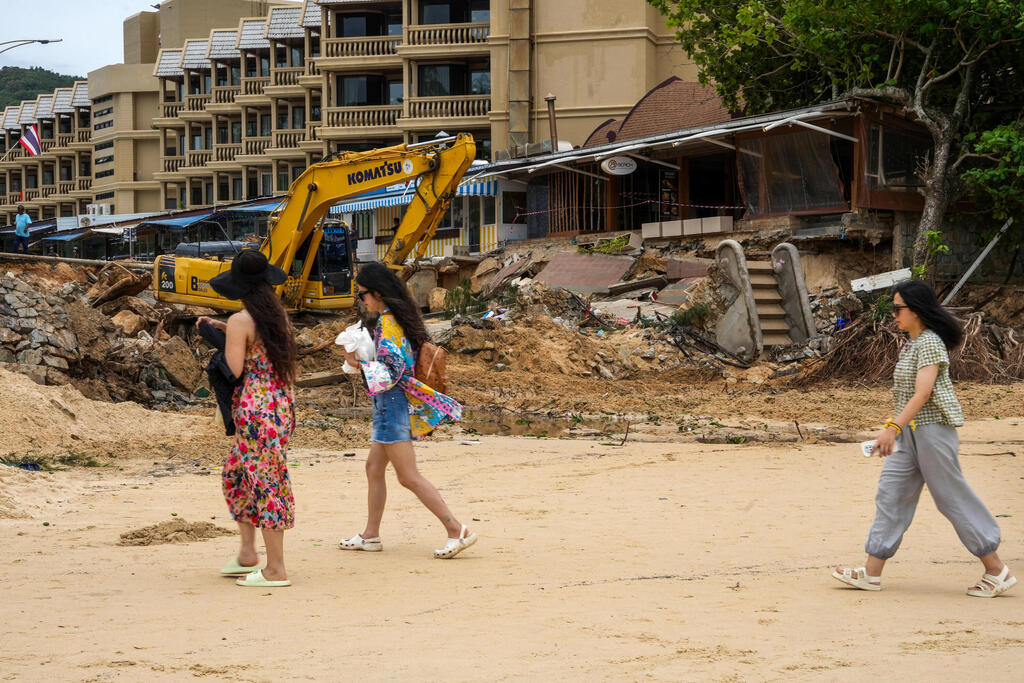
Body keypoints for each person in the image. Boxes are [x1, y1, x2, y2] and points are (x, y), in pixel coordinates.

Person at [833, 280, 1015, 597]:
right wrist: (896, 430)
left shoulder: (930, 343)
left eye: (898, 308)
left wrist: (892, 428)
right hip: (910, 435)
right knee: (891, 494)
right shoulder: (912, 344)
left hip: (932, 432)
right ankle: (871, 573)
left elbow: (923, 393)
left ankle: (996, 570)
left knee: (951, 498)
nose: (894, 314)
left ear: (916, 311)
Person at [338, 262, 475, 559]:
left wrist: (356, 361)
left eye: (362, 294)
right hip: (389, 406)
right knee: (374, 468)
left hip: (391, 406)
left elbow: (395, 370)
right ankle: (371, 534)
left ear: (377, 293)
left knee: (408, 476)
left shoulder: (388, 324)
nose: (362, 300)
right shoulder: (394, 320)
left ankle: (456, 530)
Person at [197, 250, 297, 587]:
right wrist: (228, 330)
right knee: (236, 476)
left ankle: (276, 569)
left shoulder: (243, 321)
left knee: (267, 484)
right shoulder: (277, 316)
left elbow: (236, 368)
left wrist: (220, 338)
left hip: (255, 410)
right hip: (280, 406)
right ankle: (247, 554)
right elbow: (259, 344)